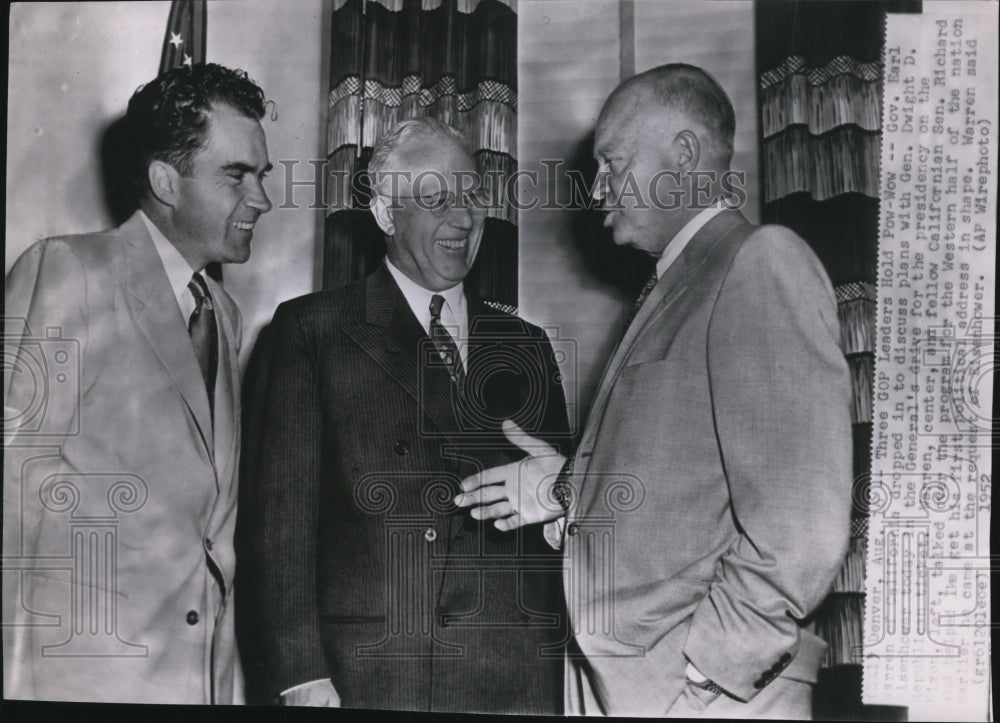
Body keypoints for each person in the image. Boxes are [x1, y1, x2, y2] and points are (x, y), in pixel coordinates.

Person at [455, 63, 853, 718]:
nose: (598, 187)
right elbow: (686, 483)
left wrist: (703, 672)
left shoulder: (759, 261)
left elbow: (801, 523)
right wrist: (566, 488)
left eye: (614, 163)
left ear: (686, 154)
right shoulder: (674, 285)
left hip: (706, 698)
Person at [239, 117, 569, 713]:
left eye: (472, 198)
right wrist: (300, 677)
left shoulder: (528, 345)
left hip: (512, 683)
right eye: (438, 199)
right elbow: (278, 530)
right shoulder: (311, 332)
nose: (465, 220)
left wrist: (565, 494)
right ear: (386, 215)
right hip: (372, 679)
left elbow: (560, 528)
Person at [3, 63, 272, 704]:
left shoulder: (223, 316)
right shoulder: (68, 270)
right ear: (164, 181)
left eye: (262, 176)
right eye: (237, 175)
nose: (261, 198)